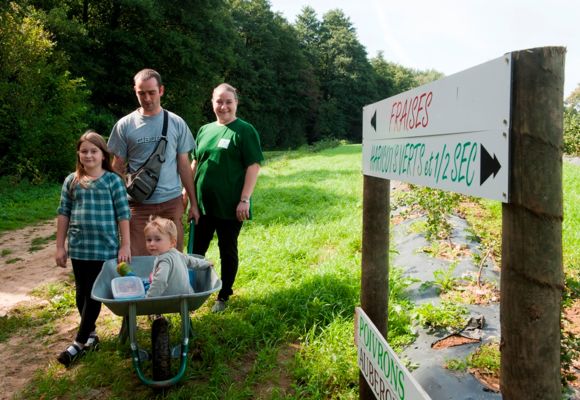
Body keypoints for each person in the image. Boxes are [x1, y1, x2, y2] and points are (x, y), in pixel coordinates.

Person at [55, 130, 131, 367]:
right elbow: (63, 214)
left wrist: (125, 244)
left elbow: (123, 215)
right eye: (84, 151)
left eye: (93, 151)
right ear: (78, 154)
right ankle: (91, 335)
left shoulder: (112, 181)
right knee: (81, 293)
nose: (89, 155)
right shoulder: (72, 181)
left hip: (105, 248)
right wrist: (60, 246)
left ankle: (77, 343)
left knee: (93, 293)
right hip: (79, 248)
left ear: (103, 155)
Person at [108, 68, 198, 256]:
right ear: (135, 91)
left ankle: (173, 287)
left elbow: (184, 165)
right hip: (137, 206)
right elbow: (117, 167)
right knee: (139, 260)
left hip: (171, 203)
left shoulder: (176, 123)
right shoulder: (125, 125)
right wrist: (115, 203)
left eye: (151, 92)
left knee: (173, 260)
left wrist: (193, 203)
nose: (147, 98)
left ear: (161, 91)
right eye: (142, 93)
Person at [191, 83, 264, 313]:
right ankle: (192, 291)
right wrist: (188, 197)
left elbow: (253, 166)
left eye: (228, 102)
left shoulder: (245, 130)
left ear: (236, 103)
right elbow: (195, 163)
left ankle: (223, 296)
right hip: (202, 206)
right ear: (212, 103)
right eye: (219, 101)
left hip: (231, 207)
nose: (223, 106)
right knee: (195, 250)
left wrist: (245, 199)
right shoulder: (204, 130)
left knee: (227, 250)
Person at [144, 216, 212, 298]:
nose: (151, 244)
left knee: (147, 288)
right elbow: (191, 260)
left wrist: (148, 298)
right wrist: (206, 263)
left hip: (171, 297)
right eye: (149, 240)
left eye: (157, 239)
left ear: (172, 243)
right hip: (188, 294)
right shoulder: (176, 253)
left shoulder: (164, 261)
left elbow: (160, 281)